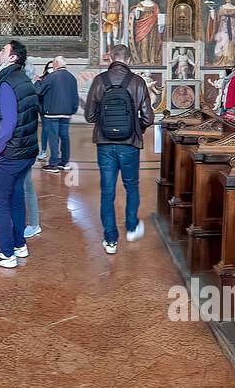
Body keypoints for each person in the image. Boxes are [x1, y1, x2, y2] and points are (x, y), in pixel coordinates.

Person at [0, 40, 42, 267]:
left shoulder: (7, 83)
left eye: (2, 51)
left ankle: (5, 254)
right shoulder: (24, 79)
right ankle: (18, 244)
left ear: (12, 57)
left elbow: (8, 123)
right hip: (26, 151)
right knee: (16, 198)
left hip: (10, 153)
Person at [85, 48, 154, 253]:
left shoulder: (99, 81)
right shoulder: (138, 82)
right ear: (129, 59)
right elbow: (148, 117)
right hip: (129, 144)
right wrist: (135, 128)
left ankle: (110, 240)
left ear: (111, 58)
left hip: (105, 145)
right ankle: (132, 227)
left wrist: (106, 125)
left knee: (107, 191)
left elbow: (89, 116)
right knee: (131, 186)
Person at [36, 56, 80, 174]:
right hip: (67, 112)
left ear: (56, 63)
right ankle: (64, 163)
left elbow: (39, 91)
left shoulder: (51, 77)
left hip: (52, 112)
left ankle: (54, 164)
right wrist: (73, 109)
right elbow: (75, 96)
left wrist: (38, 82)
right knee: (65, 137)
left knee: (53, 137)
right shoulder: (72, 77)